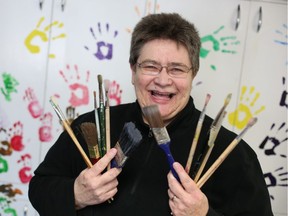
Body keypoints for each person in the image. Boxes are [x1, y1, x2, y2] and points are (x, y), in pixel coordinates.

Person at [28, 13, 273, 216]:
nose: (163, 80)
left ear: (193, 74)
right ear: (133, 70)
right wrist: (75, 195)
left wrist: (204, 214)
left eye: (176, 69)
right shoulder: (93, 125)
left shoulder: (230, 151)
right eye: (151, 66)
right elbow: (39, 188)